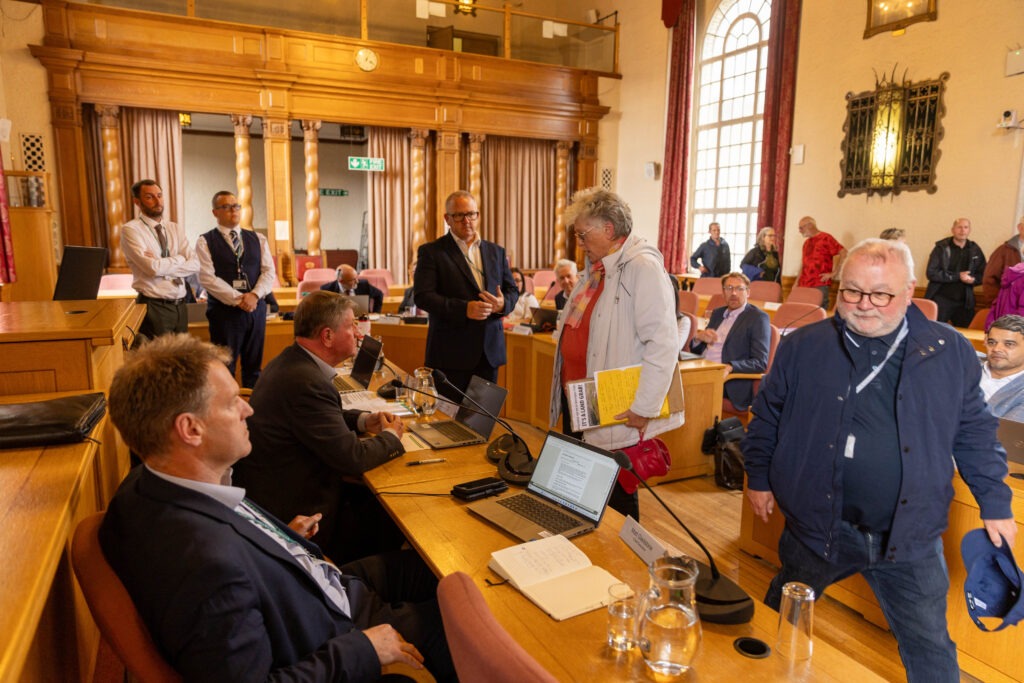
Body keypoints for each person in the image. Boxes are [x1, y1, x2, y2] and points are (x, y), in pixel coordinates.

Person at [99, 334, 455, 682]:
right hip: (340, 628)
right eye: (231, 402)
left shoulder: (147, 484)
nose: (248, 409)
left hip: (318, 582)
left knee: (448, 571)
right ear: (190, 429)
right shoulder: (206, 567)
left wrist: (278, 538)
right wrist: (363, 649)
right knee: (477, 619)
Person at [744, 238, 1015, 683]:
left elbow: (975, 432)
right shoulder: (804, 346)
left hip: (909, 538)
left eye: (882, 294)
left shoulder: (950, 352)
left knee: (930, 647)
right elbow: (768, 415)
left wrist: (994, 500)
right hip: (817, 526)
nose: (865, 305)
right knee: (781, 620)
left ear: (910, 291)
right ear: (838, 287)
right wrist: (758, 476)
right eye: (852, 291)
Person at [233, 291, 406, 563]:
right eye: (350, 327)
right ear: (327, 336)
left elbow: (323, 415)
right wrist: (391, 437)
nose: (358, 334)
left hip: (279, 488)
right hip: (300, 511)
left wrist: (364, 420)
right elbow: (353, 458)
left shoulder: (291, 361)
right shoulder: (306, 381)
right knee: (394, 512)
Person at [548, 188, 683, 520]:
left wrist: (644, 406)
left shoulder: (642, 268)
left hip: (615, 403)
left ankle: (624, 567)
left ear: (608, 229)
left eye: (583, 234)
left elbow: (663, 344)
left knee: (615, 492)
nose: (579, 242)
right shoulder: (597, 268)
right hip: (580, 397)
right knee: (581, 488)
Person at [414, 190, 518, 402]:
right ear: (447, 219)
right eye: (459, 215)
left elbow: (512, 291)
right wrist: (464, 309)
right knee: (448, 423)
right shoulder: (432, 252)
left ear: (478, 216)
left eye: (471, 214)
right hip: (450, 353)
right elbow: (423, 296)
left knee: (483, 419)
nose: (466, 221)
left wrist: (502, 304)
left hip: (489, 353)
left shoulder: (495, 251)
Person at [196, 191, 276, 388]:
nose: (233, 210)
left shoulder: (258, 238)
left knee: (254, 368)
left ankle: (253, 411)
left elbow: (268, 272)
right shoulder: (205, 241)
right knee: (225, 368)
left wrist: (255, 295)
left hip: (256, 310)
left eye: (236, 205)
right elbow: (207, 278)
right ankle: (228, 413)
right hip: (225, 313)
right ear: (215, 212)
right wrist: (240, 299)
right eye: (226, 206)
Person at [120, 179, 198, 340]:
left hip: (181, 305)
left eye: (159, 195)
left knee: (183, 359)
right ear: (137, 202)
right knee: (160, 361)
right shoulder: (131, 230)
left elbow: (196, 264)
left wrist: (162, 264)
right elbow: (152, 268)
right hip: (155, 307)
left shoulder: (174, 228)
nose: (157, 201)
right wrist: (180, 258)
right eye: (150, 197)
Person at [689, 272, 770, 411]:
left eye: (739, 289)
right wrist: (698, 339)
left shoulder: (757, 318)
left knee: (687, 390)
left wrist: (731, 366)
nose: (733, 293)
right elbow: (697, 349)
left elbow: (760, 362)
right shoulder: (717, 313)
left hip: (729, 380)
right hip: (703, 368)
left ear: (748, 292)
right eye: (729, 288)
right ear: (723, 292)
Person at [925, 217, 986, 328]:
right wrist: (958, 276)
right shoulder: (941, 248)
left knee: (964, 336)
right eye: (959, 227)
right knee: (935, 332)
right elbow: (931, 273)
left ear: (969, 230)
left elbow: (983, 274)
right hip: (941, 299)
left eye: (966, 227)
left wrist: (973, 280)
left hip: (965, 302)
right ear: (953, 230)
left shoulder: (975, 249)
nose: (962, 230)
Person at [981, 314, 1024, 421]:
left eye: (1009, 344)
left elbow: (1006, 433)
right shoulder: (964, 364)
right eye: (992, 342)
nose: (996, 349)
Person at [796, 216, 846, 307]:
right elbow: (803, 265)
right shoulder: (806, 243)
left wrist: (834, 273)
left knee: (818, 313)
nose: (800, 231)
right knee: (803, 312)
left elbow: (844, 252)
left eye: (801, 228)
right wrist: (796, 283)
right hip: (803, 285)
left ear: (810, 225)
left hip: (819, 284)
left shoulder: (826, 238)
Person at [982, 216, 1024, 304]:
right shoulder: (1004, 250)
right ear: (1020, 227)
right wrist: (998, 303)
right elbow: (989, 278)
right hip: (1009, 307)